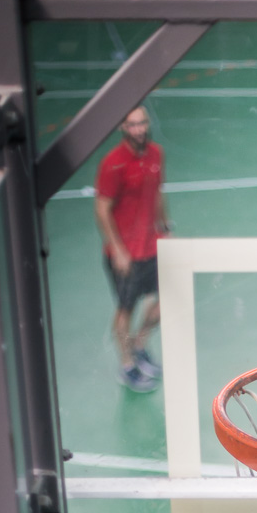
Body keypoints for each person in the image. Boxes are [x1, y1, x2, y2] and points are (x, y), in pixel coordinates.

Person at [95, 106, 169, 393]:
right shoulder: (112, 163)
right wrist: (118, 249)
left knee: (167, 300)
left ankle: (139, 345)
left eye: (142, 123)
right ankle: (127, 365)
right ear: (122, 128)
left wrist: (166, 228)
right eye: (132, 125)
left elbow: (158, 193)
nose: (139, 129)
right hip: (125, 254)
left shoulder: (156, 154)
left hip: (152, 246)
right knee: (125, 310)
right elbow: (102, 209)